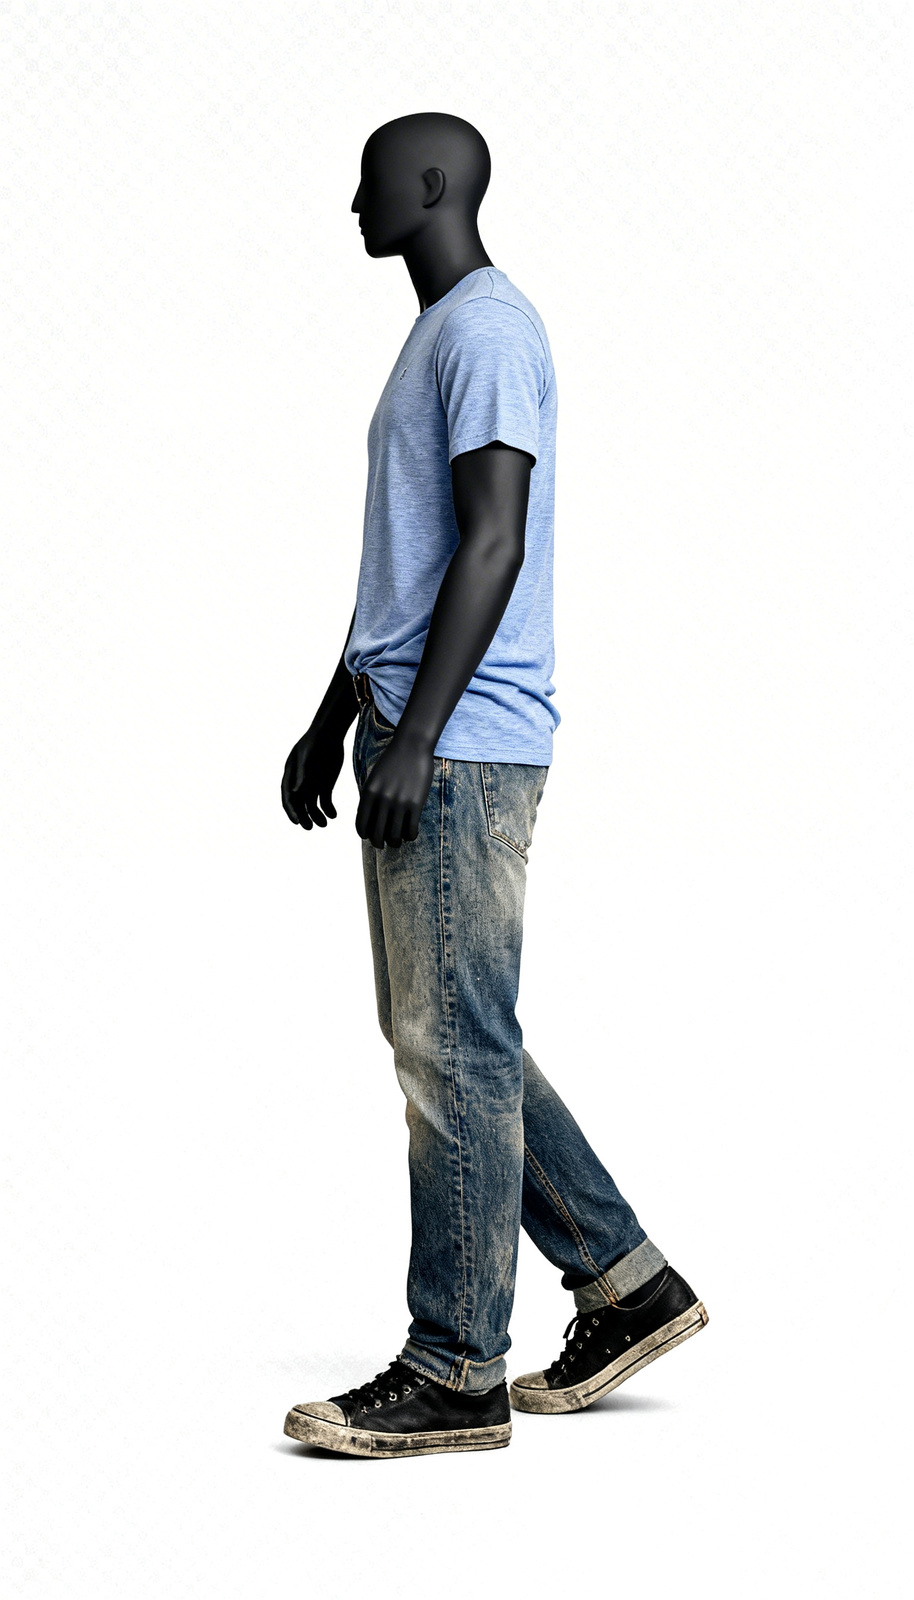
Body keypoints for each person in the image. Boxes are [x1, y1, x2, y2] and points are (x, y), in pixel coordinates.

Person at [280, 112, 707, 1460]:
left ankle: (458, 1365)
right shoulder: (441, 334)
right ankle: (627, 1286)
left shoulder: (488, 331)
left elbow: (493, 542)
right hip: (419, 723)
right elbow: (413, 569)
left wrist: (418, 737)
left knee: (449, 1047)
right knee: (457, 1035)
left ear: (430, 185)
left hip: (458, 740)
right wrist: (334, 717)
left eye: (370, 179)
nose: (354, 203)